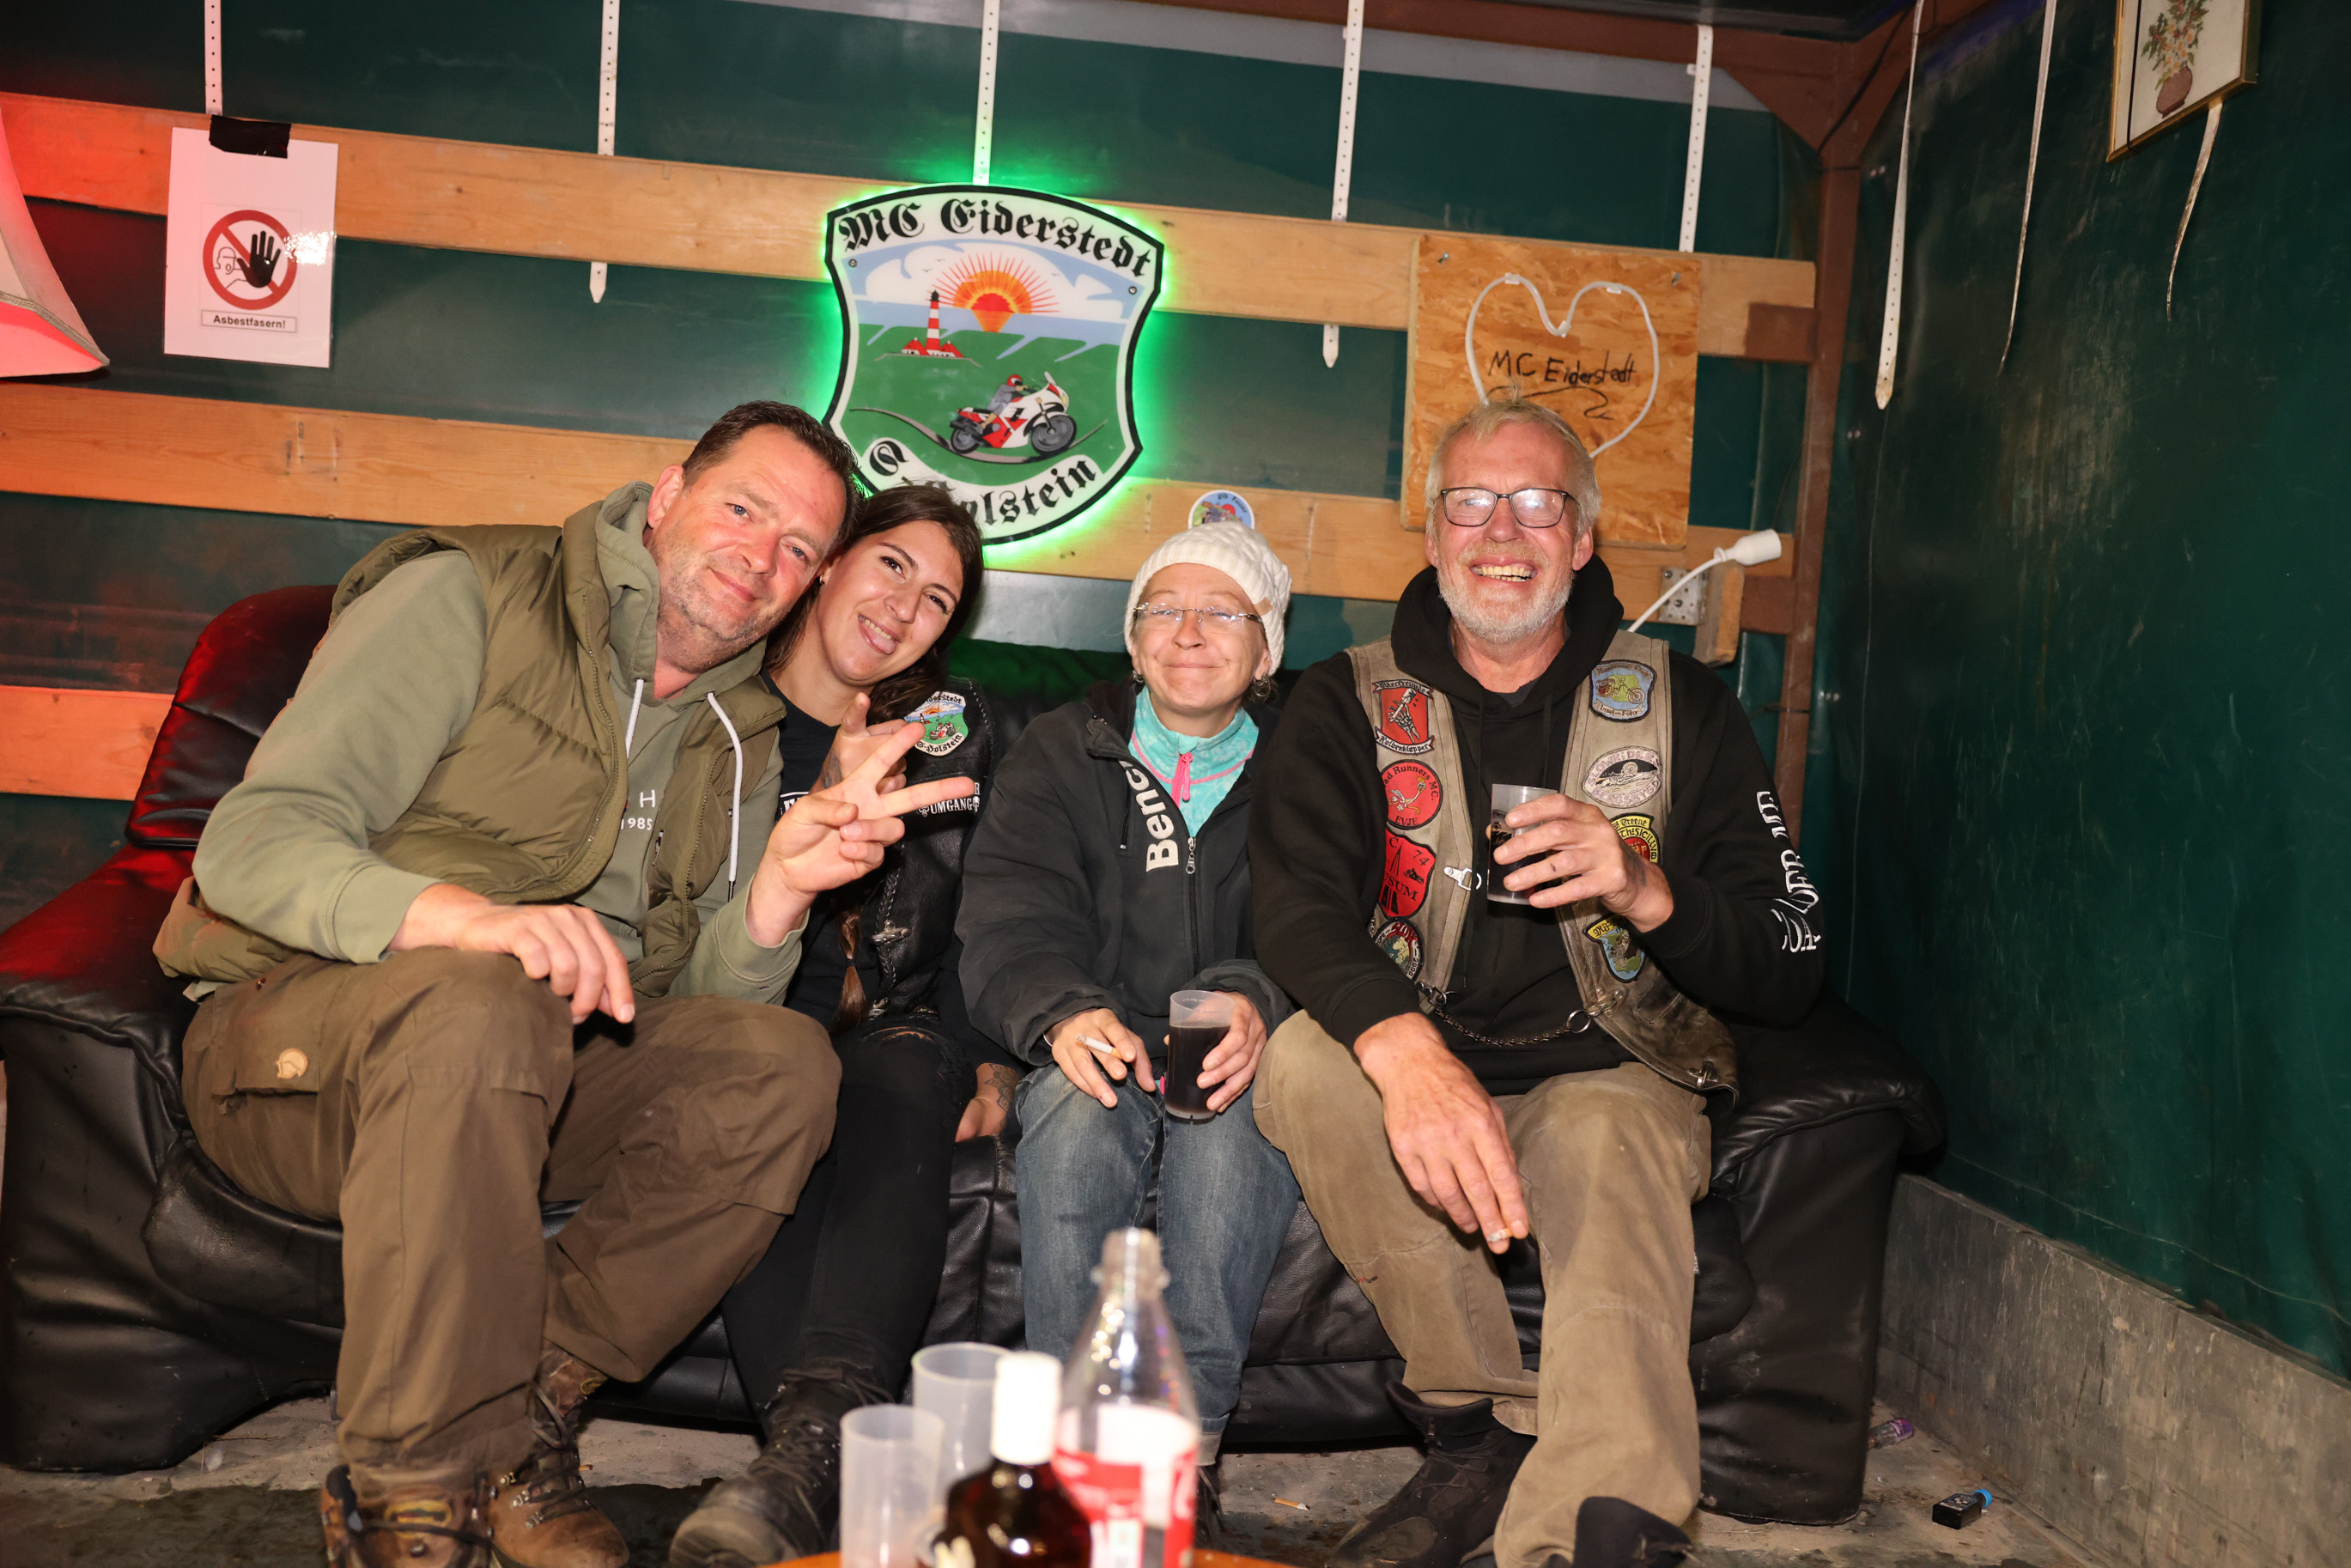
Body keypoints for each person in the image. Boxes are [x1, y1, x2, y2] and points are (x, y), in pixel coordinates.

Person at [155, 403, 976, 1568]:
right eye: (743, 508)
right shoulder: (468, 595)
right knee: (485, 995)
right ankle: (417, 1495)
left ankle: (523, 1415)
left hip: (534, 1066)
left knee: (784, 1065)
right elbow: (249, 844)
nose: (761, 555)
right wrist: (468, 919)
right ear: (667, 494)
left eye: (797, 545)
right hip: (300, 1043)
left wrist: (778, 894)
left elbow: (703, 1002)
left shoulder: (739, 725)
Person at [1248, 399, 1826, 1568]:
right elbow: (1292, 906)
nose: (1500, 530)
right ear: (1432, 534)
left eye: (1535, 502)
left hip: (1613, 1061)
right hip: (1427, 1039)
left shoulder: (1685, 704)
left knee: (1604, 1137)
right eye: (1469, 501)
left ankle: (1592, 1530)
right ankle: (1481, 1434)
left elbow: (1792, 958)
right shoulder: (1343, 697)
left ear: (1581, 537)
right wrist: (1406, 1054)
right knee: (1304, 1060)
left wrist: (1646, 888)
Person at [670, 484, 1022, 1568]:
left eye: (938, 598)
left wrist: (990, 1056)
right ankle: (827, 1475)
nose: (905, 605)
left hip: (891, 1025)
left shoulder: (950, 733)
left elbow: (995, 905)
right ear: (826, 562)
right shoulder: (714, 714)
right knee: (771, 1093)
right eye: (891, 565)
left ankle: (803, 1464)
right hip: (743, 1023)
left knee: (902, 1067)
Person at [957, 522, 1301, 1528]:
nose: (1188, 630)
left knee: (1229, 1122)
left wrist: (1253, 996)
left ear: (1266, 649)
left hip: (1233, 1034)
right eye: (1163, 609)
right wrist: (1062, 1010)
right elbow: (1007, 914)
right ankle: (1070, 1448)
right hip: (1092, 1024)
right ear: (1134, 637)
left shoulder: (1306, 761)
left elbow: (1331, 917)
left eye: (1221, 611)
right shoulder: (1061, 747)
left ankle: (1183, 1452)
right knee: (1075, 1115)